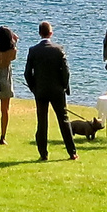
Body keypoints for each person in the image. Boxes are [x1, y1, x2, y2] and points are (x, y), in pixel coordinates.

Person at [23, 21, 76, 161]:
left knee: (42, 122)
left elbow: (27, 73)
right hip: (57, 90)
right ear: (51, 33)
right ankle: (72, 152)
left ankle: (43, 153)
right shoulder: (58, 49)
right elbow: (65, 71)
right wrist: (64, 86)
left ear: (40, 33)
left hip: (40, 90)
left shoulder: (33, 50)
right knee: (63, 120)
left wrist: (33, 88)